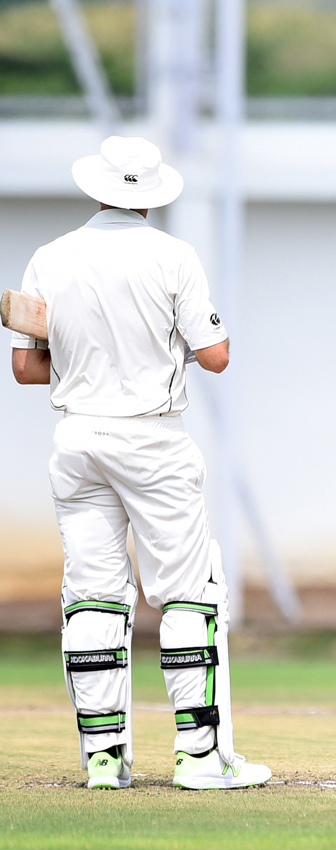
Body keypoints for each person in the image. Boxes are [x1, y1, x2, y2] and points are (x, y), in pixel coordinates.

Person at [10, 135, 271, 790]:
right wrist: (166, 348)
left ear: (98, 188)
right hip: (152, 440)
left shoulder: (50, 257)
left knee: (93, 593)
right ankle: (200, 755)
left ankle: (104, 758)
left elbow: (25, 367)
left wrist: (83, 357)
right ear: (151, 198)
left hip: (77, 440)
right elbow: (216, 356)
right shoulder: (173, 257)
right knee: (188, 590)